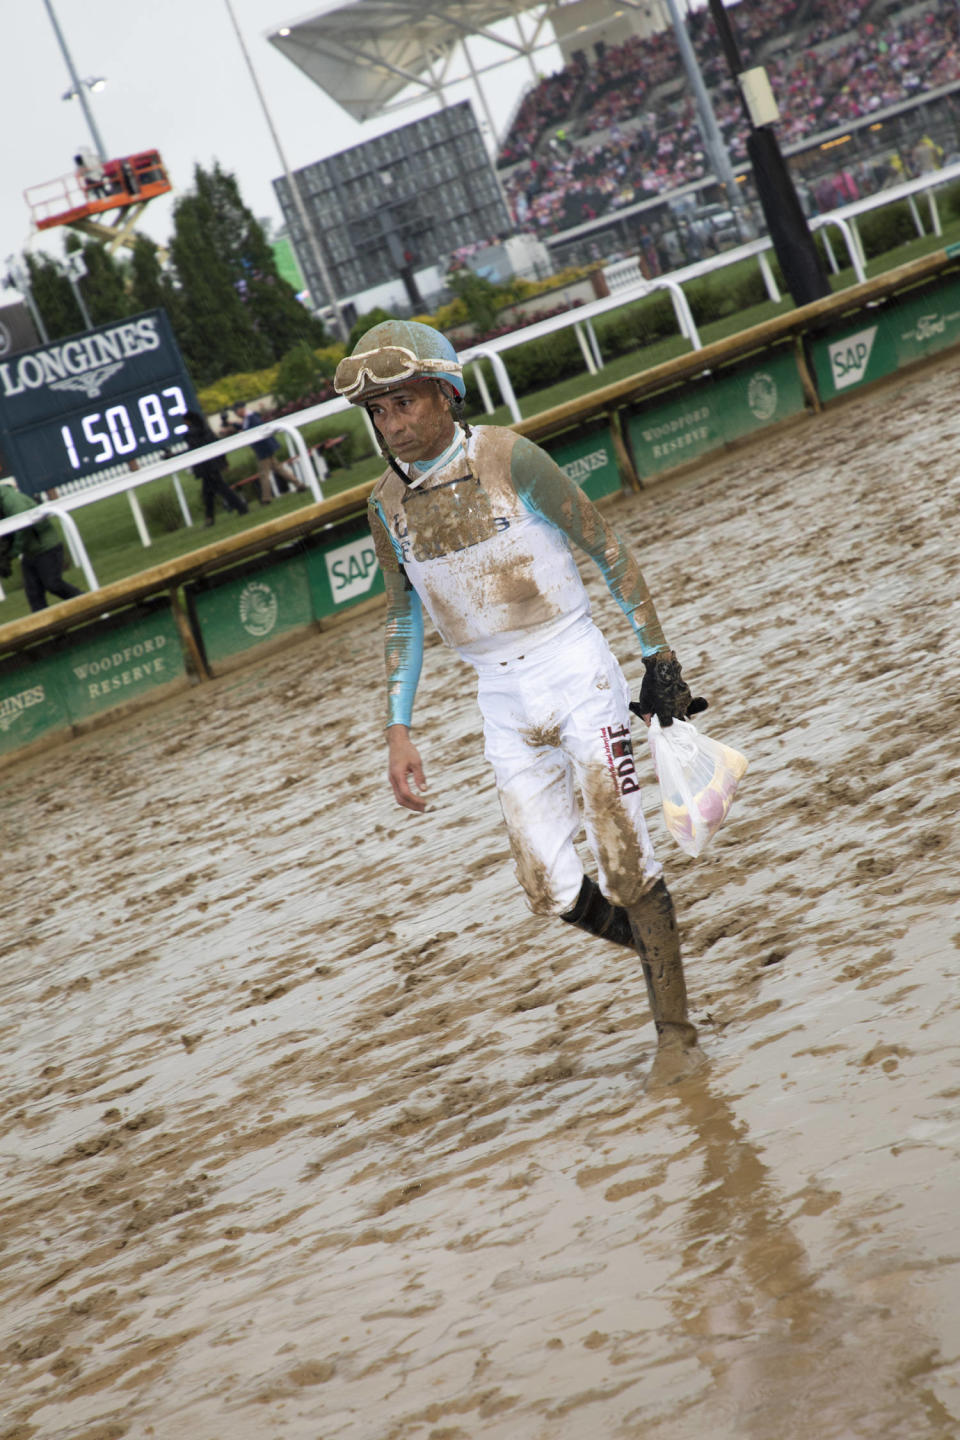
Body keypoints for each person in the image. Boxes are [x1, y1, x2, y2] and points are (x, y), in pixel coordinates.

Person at [334, 320, 709, 1087]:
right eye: (379, 412)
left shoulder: (510, 458)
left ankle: (675, 1032)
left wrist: (658, 658)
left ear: (446, 393)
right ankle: (658, 950)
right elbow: (402, 614)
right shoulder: (384, 506)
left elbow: (606, 547)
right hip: (498, 697)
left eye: (404, 403)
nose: (392, 423)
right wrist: (397, 730)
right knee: (550, 888)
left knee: (625, 859)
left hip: (576, 672)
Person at [0, 482, 83, 612]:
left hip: (47, 547)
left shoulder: (9, 499)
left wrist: (13, 553)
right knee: (34, 596)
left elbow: (23, 525)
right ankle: (55, 631)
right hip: (30, 553)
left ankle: (89, 602)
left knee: (53, 584)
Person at [183, 411, 249, 527]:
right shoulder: (206, 430)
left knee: (221, 490)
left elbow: (192, 451)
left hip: (206, 469)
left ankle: (241, 508)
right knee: (208, 493)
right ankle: (210, 519)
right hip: (214, 465)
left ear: (188, 421)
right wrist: (223, 462)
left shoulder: (191, 434)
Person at [233, 401, 306, 505]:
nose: (236, 414)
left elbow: (256, 430)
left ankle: (266, 498)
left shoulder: (251, 417)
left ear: (241, 409)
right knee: (279, 469)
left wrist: (243, 432)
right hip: (265, 447)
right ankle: (299, 485)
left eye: (236, 411)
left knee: (264, 473)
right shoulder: (250, 417)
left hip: (263, 448)